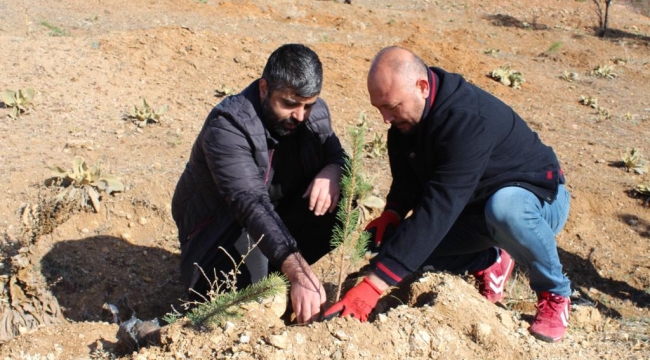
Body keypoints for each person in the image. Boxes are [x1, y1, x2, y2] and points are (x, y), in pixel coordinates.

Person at [325, 46, 572, 343]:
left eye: (391, 106)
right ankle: (489, 260)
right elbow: (407, 183)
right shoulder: (406, 122)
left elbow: (439, 208)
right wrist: (392, 212)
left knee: (505, 209)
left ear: (422, 87)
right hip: (475, 210)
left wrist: (373, 286)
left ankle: (555, 293)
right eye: (379, 108)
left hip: (538, 202)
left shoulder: (466, 120)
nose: (385, 119)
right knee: (395, 248)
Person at [172, 44, 346, 324]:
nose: (300, 115)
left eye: (308, 104)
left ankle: (281, 282)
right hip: (222, 231)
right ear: (264, 89)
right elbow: (249, 203)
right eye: (289, 103)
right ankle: (208, 307)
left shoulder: (313, 116)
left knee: (342, 199)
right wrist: (298, 271)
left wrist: (333, 169)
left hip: (273, 219)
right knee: (238, 307)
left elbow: (336, 154)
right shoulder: (228, 126)